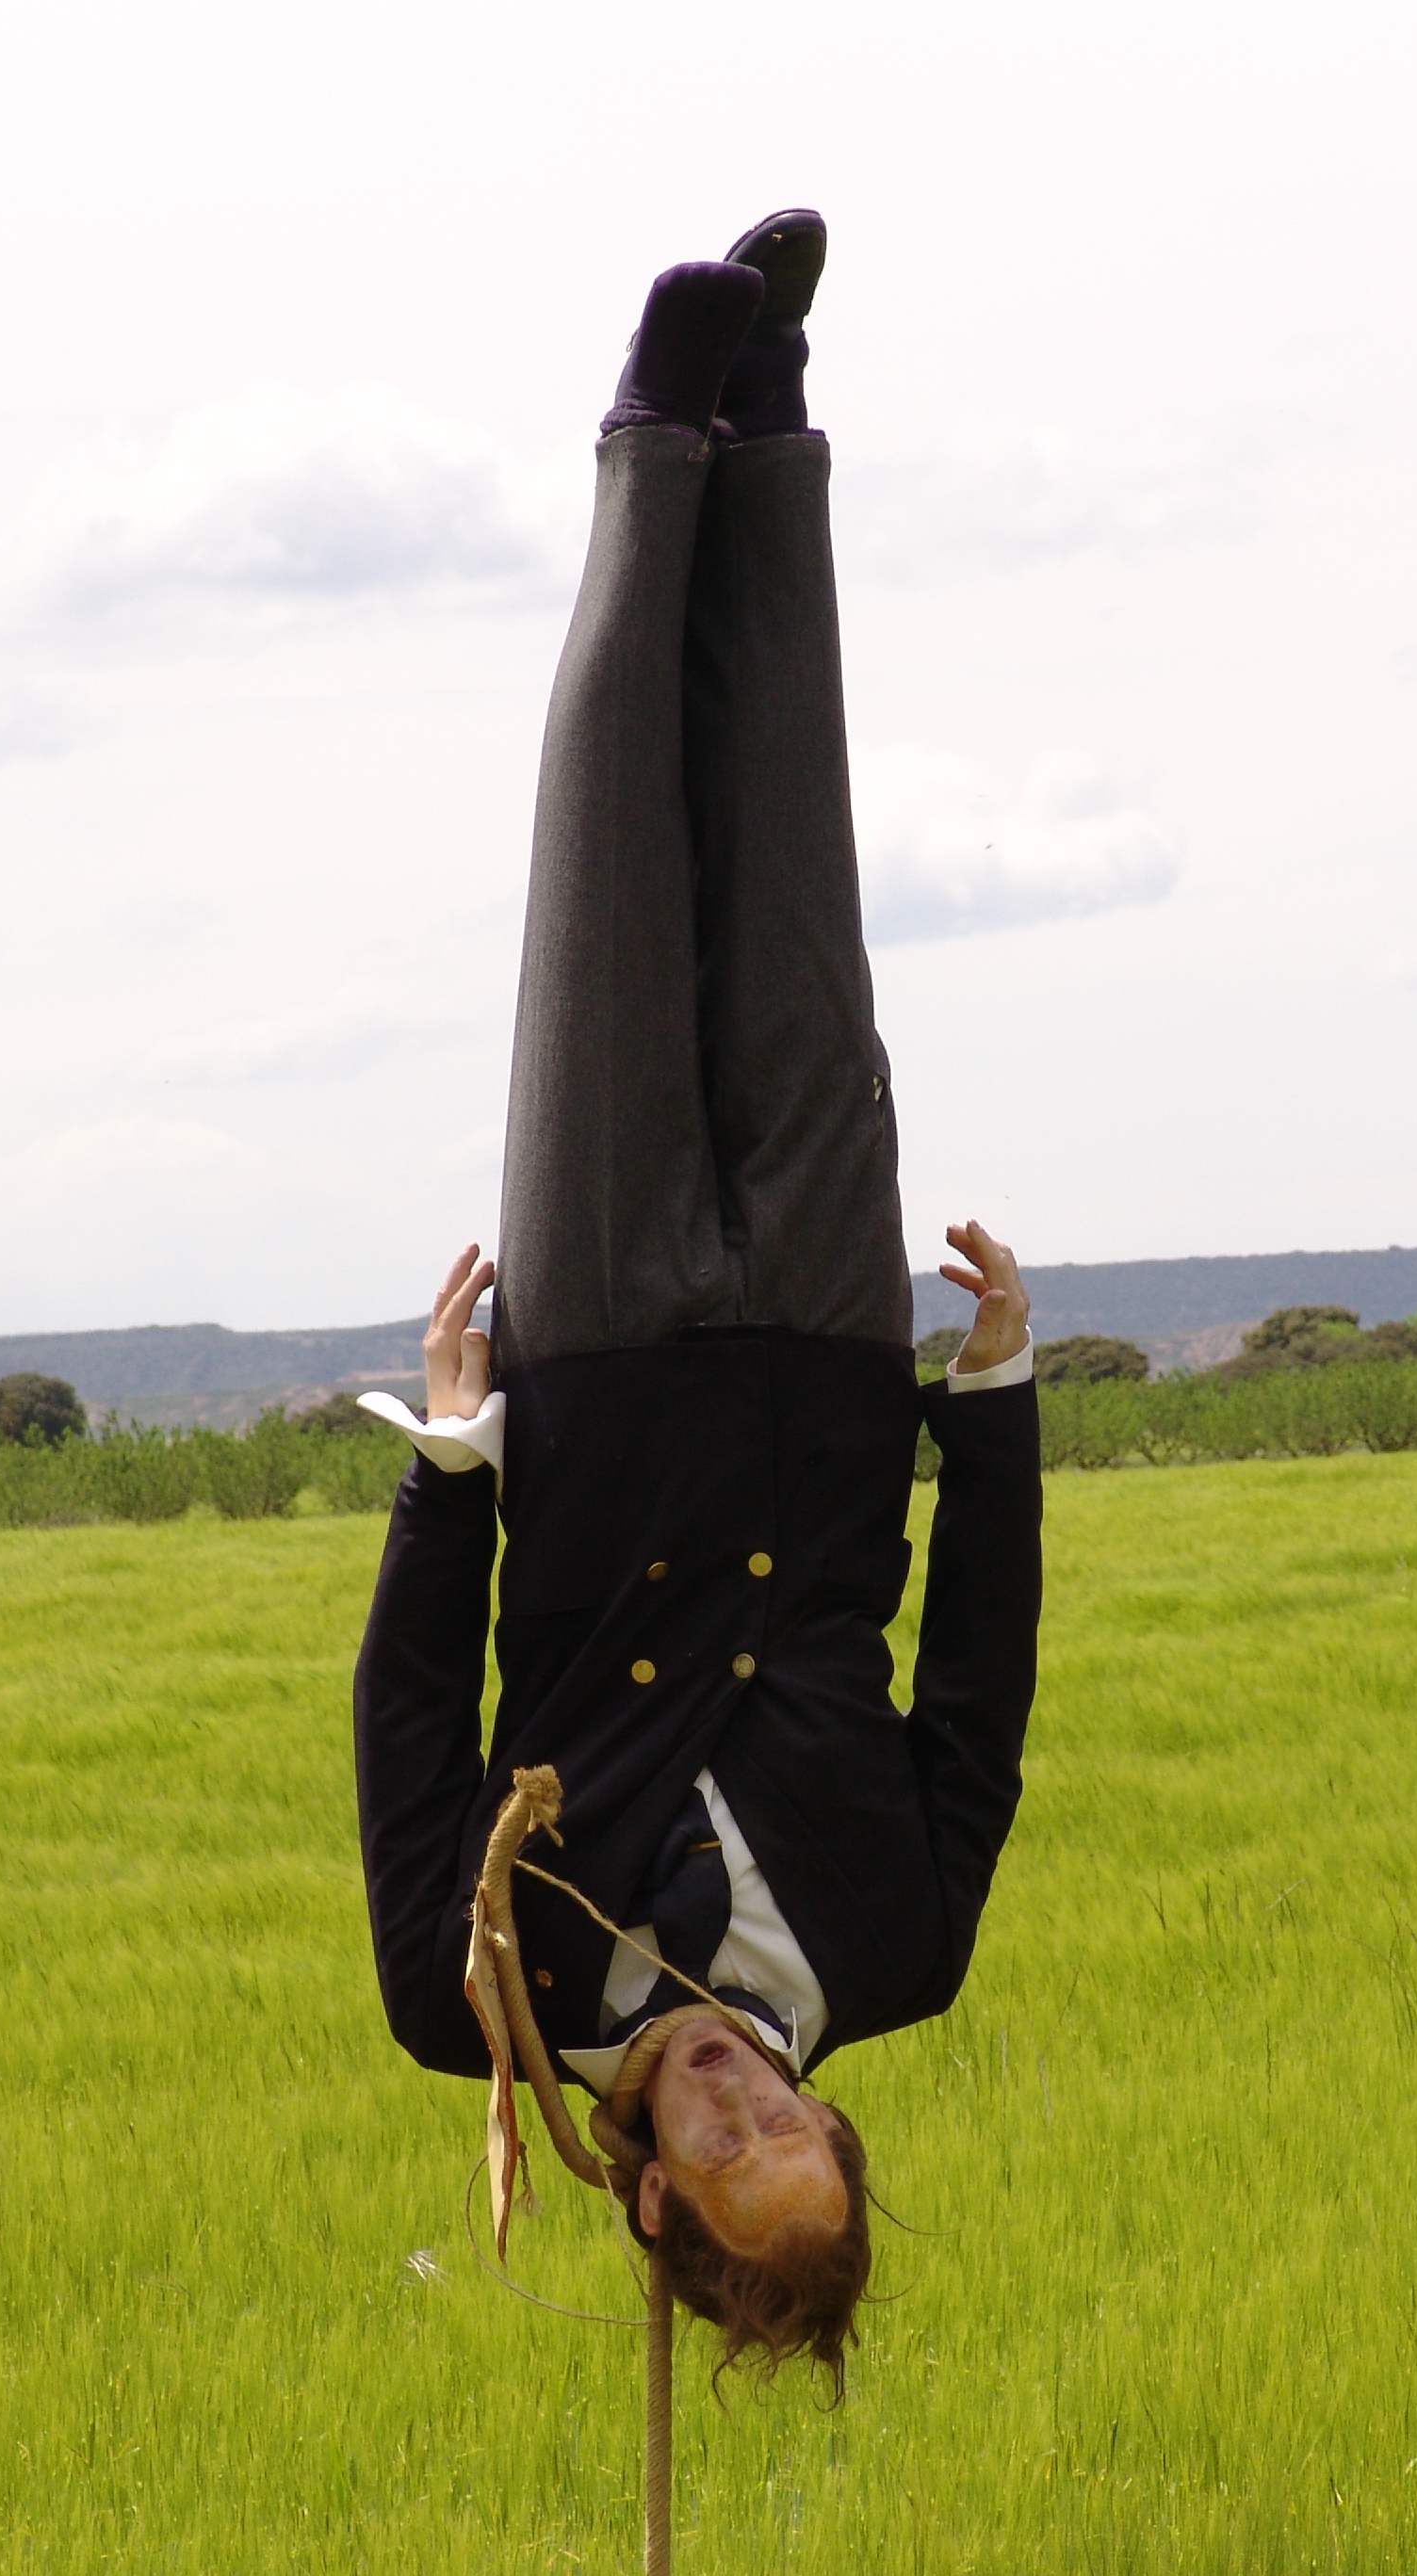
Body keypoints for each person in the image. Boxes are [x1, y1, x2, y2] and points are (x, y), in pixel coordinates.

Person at [352, 213, 1040, 2396]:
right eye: (804, 2132)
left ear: (647, 2196)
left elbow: (407, 1735)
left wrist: (458, 1461)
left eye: (731, 2146)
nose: (758, 2101)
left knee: (615, 887)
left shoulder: (481, 1986)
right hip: (838, 1364)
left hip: (612, 1370)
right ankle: (776, 425)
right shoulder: (904, 1948)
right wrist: (996, 1402)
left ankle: (659, 436)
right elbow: (982, 1684)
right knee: (790, 865)